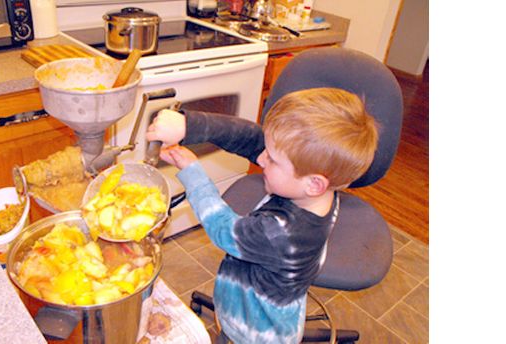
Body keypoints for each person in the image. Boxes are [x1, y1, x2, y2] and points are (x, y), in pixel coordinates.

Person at [146, 87, 378, 344]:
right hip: (280, 304)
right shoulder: (316, 192)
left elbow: (224, 230)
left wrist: (192, 172)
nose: (262, 158)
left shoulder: (281, 233)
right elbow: (253, 139)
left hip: (253, 331)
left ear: (314, 183)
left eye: (273, 159)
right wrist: (190, 126)